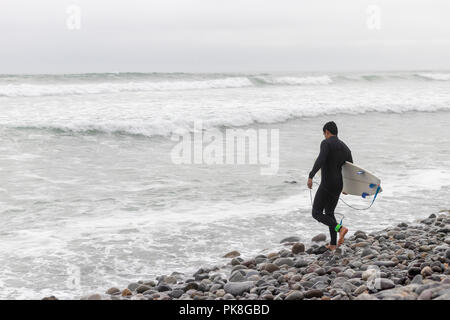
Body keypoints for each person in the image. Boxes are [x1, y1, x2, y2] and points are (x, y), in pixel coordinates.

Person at [307, 121, 353, 251]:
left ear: (326, 132)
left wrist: (311, 175)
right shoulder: (345, 147)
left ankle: (340, 228)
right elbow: (350, 168)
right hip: (338, 184)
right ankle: (333, 244)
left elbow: (321, 159)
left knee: (316, 212)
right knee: (329, 213)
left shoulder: (326, 143)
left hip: (327, 183)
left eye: (324, 134)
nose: (324, 136)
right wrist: (347, 187)